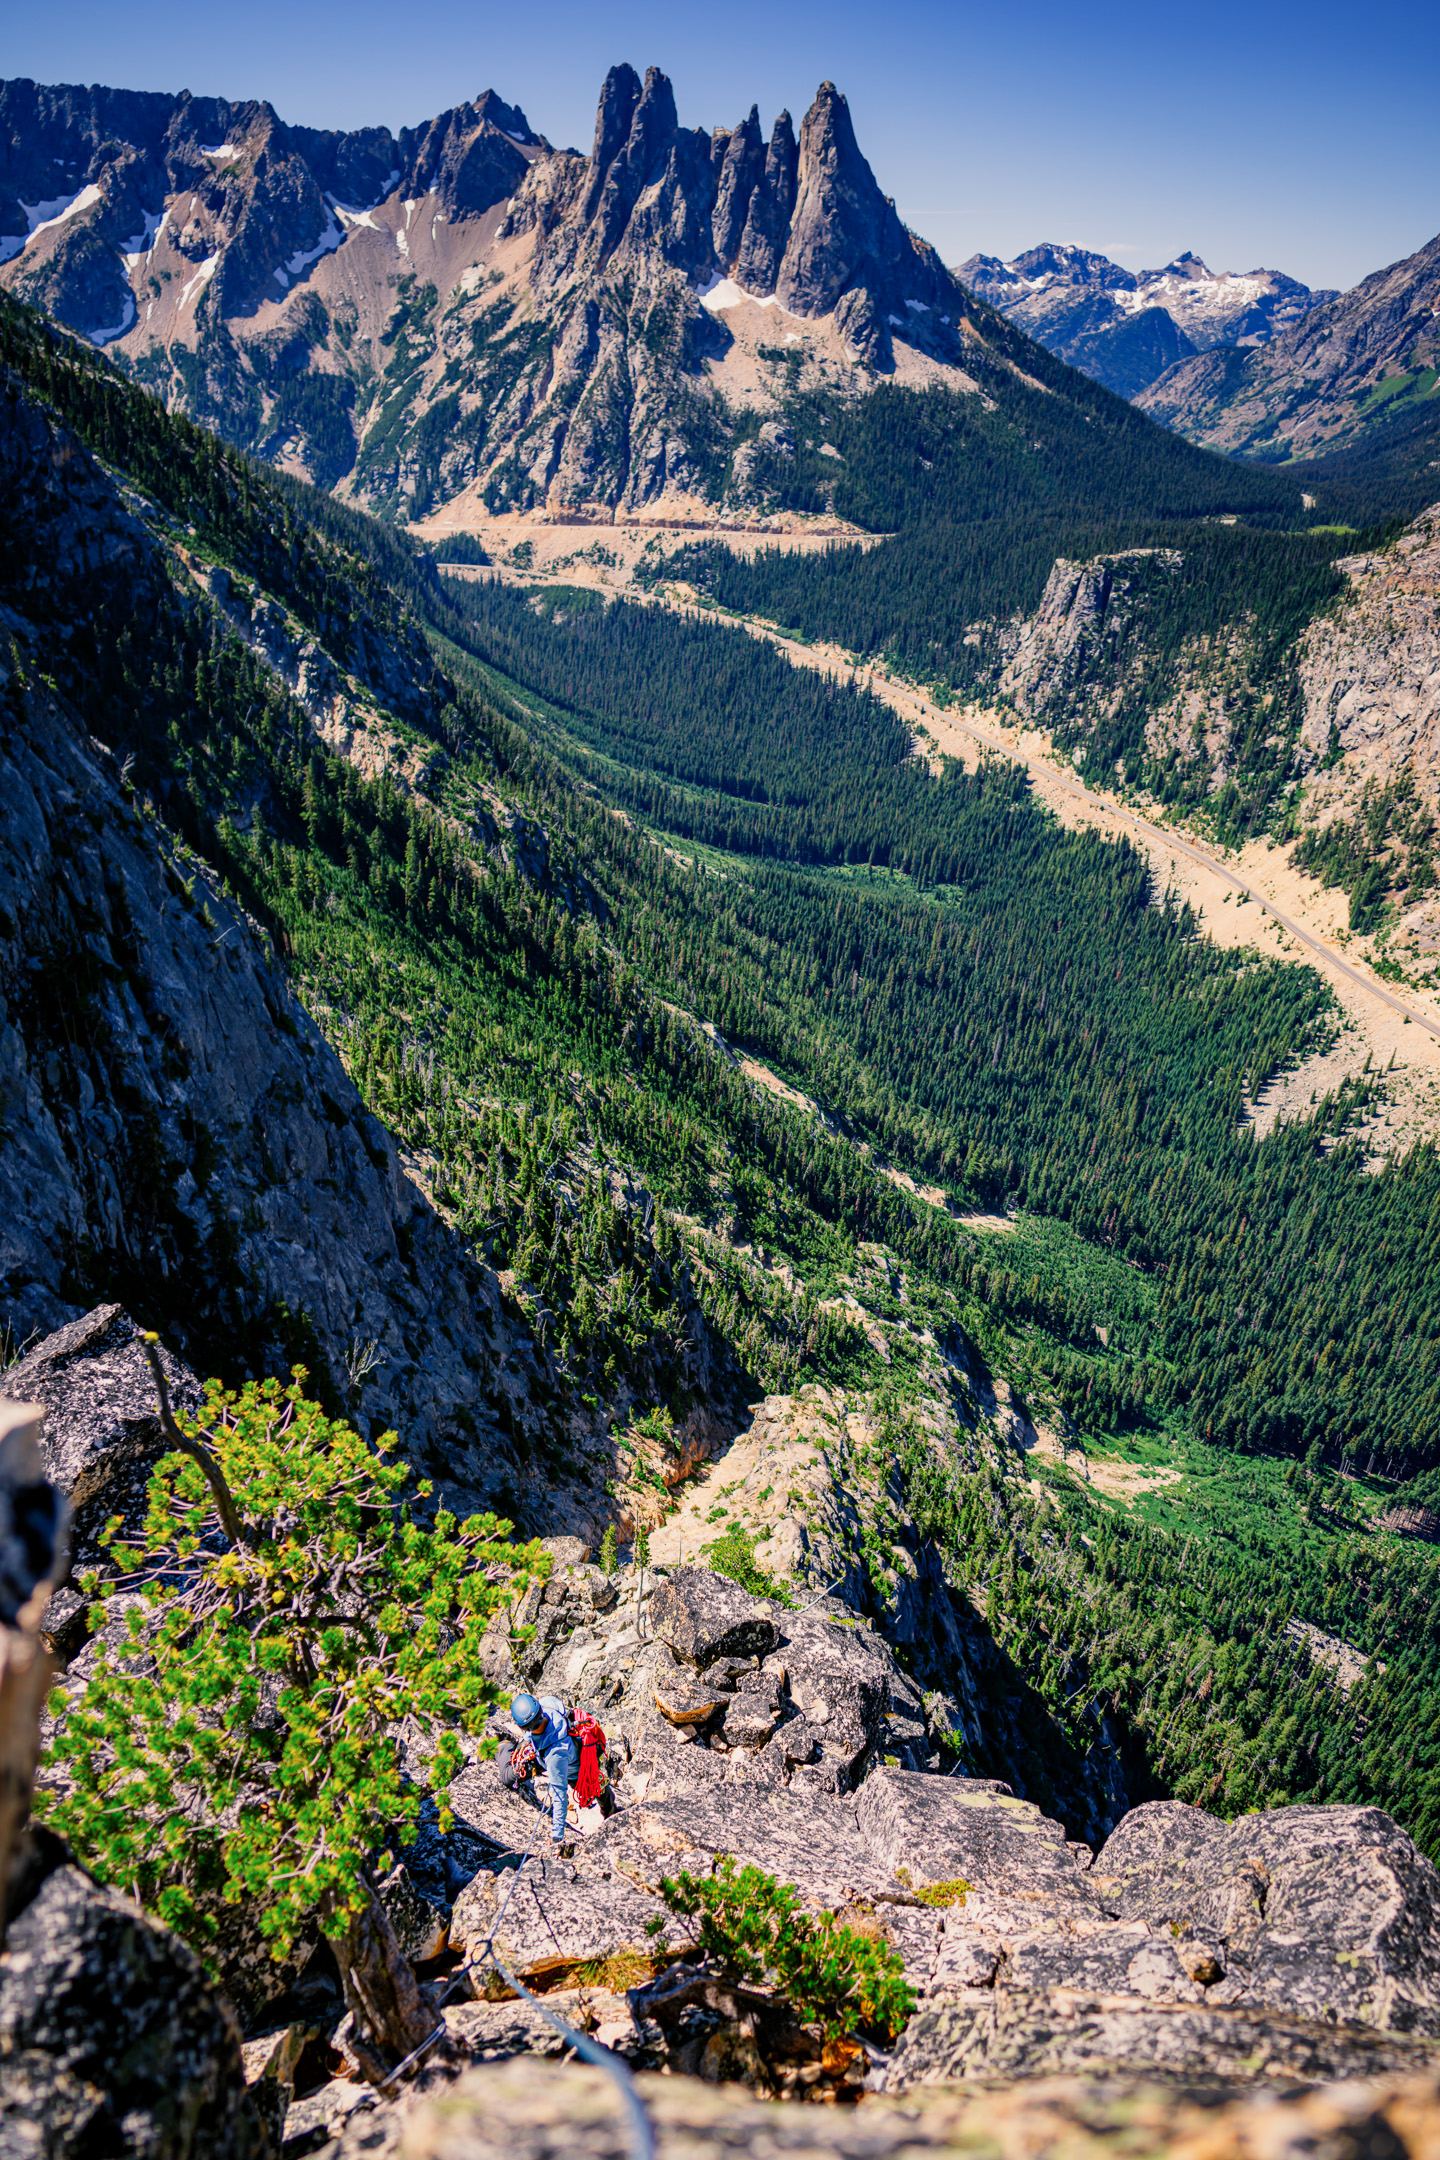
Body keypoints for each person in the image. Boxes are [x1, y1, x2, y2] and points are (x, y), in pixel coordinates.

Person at [498, 1692, 580, 1855]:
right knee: (602, 1793)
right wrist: (526, 1740)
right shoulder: (548, 1706)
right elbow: (552, 1706)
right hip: (573, 1759)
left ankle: (503, 1746)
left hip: (554, 1761)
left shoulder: (555, 1756)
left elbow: (559, 1795)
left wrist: (557, 1837)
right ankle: (610, 1811)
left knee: (507, 1777)